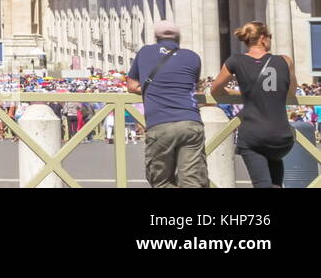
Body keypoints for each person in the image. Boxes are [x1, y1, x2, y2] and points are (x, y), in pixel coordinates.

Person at [209, 21, 297, 188]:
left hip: (254, 135)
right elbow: (291, 92)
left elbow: (215, 90)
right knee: (276, 184)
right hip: (282, 136)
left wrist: (239, 93)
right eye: (270, 37)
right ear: (263, 38)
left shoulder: (235, 60)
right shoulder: (285, 60)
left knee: (262, 184)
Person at [125, 20, 208, 188]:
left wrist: (154, 88)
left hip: (160, 124)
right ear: (179, 39)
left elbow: (132, 85)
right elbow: (193, 84)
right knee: (193, 182)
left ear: (156, 37)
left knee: (161, 181)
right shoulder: (192, 56)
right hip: (190, 121)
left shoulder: (145, 52)